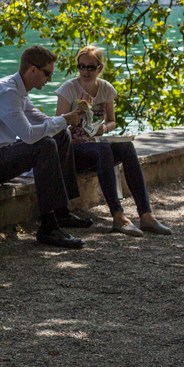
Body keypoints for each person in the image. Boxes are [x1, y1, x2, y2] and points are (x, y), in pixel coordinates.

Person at [0, 44, 91, 249]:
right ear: (32, 69)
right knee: (45, 144)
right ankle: (48, 228)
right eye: (47, 73)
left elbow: (41, 120)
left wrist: (68, 119)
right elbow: (28, 135)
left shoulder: (20, 92)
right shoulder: (7, 92)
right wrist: (63, 120)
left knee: (61, 133)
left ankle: (62, 212)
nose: (49, 79)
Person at [54, 45, 172, 236]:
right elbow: (57, 127)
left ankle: (146, 215)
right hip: (72, 151)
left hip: (95, 149)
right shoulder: (69, 89)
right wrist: (74, 116)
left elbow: (112, 121)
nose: (85, 71)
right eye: (81, 66)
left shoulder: (106, 89)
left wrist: (105, 128)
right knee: (103, 150)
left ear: (100, 68)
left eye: (91, 67)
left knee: (126, 147)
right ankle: (118, 216)